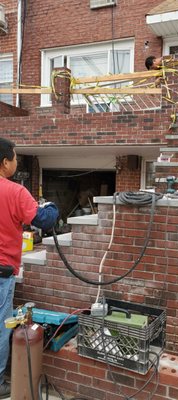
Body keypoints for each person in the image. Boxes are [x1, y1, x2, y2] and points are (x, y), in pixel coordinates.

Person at [0, 138, 59, 398]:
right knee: (2, 326)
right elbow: (43, 220)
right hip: (2, 272)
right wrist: (53, 207)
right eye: (14, 158)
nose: (16, 163)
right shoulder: (14, 191)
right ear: (4, 162)